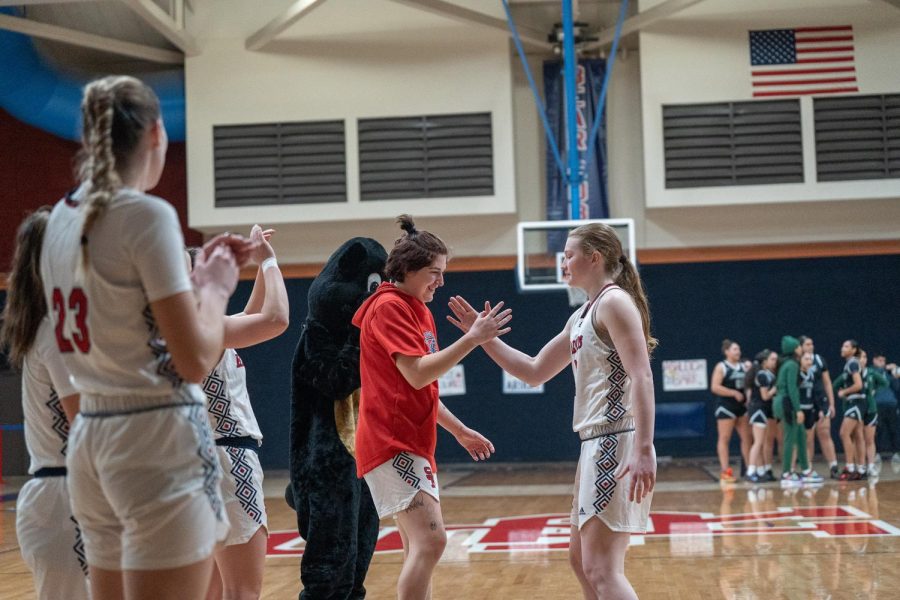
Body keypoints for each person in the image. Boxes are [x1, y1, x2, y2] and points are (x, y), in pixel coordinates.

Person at [39, 75, 253, 600]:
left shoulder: (56, 223)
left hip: (90, 434)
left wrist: (196, 284)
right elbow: (195, 360)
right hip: (153, 433)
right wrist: (218, 287)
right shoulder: (146, 214)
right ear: (157, 134)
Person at [448, 222, 656, 600]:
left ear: (594, 258)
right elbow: (533, 370)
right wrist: (482, 339)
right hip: (594, 444)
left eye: (568, 255)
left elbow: (642, 376)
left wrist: (644, 449)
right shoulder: (581, 316)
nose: (562, 262)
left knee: (602, 569)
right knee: (581, 562)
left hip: (617, 439)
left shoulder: (614, 302)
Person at [353, 215, 508, 600]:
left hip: (412, 439)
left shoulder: (417, 307)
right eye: (434, 272)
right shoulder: (388, 306)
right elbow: (418, 374)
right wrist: (472, 339)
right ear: (406, 269)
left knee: (419, 547)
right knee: (432, 543)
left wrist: (458, 430)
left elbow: (420, 389)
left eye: (443, 272)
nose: (441, 281)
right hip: (391, 441)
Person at [194, 225, 289, 600]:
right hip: (230, 459)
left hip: (201, 459)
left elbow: (252, 313)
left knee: (213, 590)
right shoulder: (208, 328)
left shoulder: (188, 329)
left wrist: (257, 262)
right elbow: (276, 319)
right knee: (243, 590)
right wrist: (269, 262)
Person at [0, 209, 90, 600]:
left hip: (67, 495)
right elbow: (85, 421)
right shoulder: (56, 329)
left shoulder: (57, 323)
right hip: (61, 500)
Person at [772, 336, 822, 485]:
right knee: (790, 438)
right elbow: (792, 388)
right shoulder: (792, 365)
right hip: (787, 402)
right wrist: (798, 409)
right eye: (799, 346)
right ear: (795, 349)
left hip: (784, 401)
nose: (802, 348)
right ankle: (786, 473)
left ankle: (806, 470)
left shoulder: (786, 364)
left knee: (800, 436)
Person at [710, 340, 751, 482]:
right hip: (726, 406)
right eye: (734, 349)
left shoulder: (744, 366)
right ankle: (725, 471)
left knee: (747, 439)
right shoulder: (721, 367)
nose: (738, 351)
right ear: (727, 351)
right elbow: (715, 387)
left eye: (739, 349)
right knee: (724, 438)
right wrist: (733, 393)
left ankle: (750, 469)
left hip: (742, 407)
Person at [799, 336, 839, 479]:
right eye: (808, 344)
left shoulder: (819, 360)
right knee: (807, 439)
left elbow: (827, 382)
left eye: (812, 343)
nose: (811, 346)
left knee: (825, 433)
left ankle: (833, 466)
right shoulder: (796, 362)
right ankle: (807, 468)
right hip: (805, 403)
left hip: (820, 401)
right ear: (801, 346)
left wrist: (831, 403)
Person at [745, 349, 778, 483]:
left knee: (761, 442)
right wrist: (775, 389)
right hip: (758, 409)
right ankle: (751, 471)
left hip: (763, 409)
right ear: (765, 362)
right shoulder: (761, 375)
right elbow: (765, 396)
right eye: (772, 360)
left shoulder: (768, 374)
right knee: (758, 442)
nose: (775, 362)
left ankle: (759, 470)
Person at [836, 340, 866, 481]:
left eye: (846, 346)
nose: (842, 348)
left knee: (844, 433)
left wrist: (844, 392)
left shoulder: (853, 363)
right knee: (858, 435)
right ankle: (861, 468)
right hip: (855, 401)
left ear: (854, 350)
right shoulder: (851, 363)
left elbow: (858, 384)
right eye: (843, 345)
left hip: (856, 401)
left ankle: (850, 467)